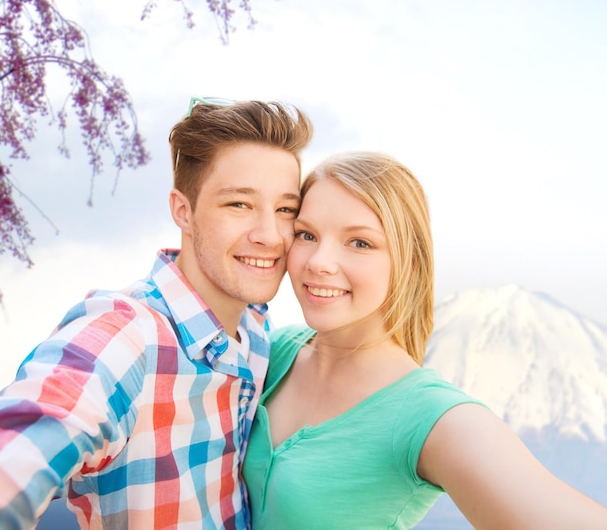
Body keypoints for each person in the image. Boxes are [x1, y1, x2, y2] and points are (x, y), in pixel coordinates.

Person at [0, 97, 313, 529]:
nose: (270, 236)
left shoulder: (256, 331)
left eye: (285, 209)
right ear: (183, 211)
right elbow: (12, 452)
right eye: (239, 204)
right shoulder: (128, 334)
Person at [242, 151, 607, 529]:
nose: (319, 261)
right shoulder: (272, 351)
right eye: (307, 235)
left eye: (360, 243)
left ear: (408, 263)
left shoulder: (429, 416)